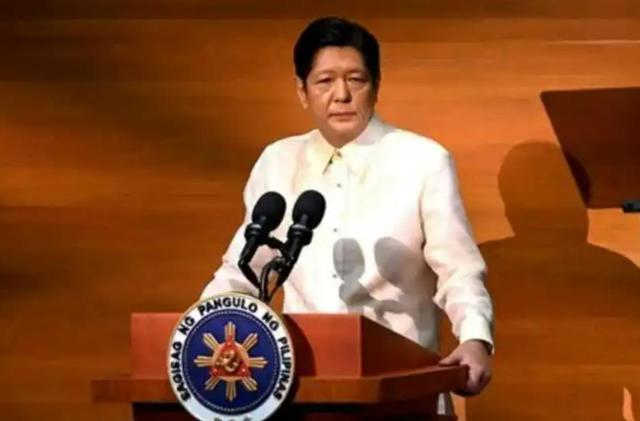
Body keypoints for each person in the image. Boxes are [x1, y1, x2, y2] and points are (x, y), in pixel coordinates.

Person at [201, 16, 494, 408]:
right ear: (302, 91)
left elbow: (459, 271)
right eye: (324, 81)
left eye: (356, 80)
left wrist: (475, 338)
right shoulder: (278, 161)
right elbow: (244, 273)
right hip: (298, 393)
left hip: (401, 394)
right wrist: (195, 334)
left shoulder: (423, 161)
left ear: (376, 86)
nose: (341, 95)